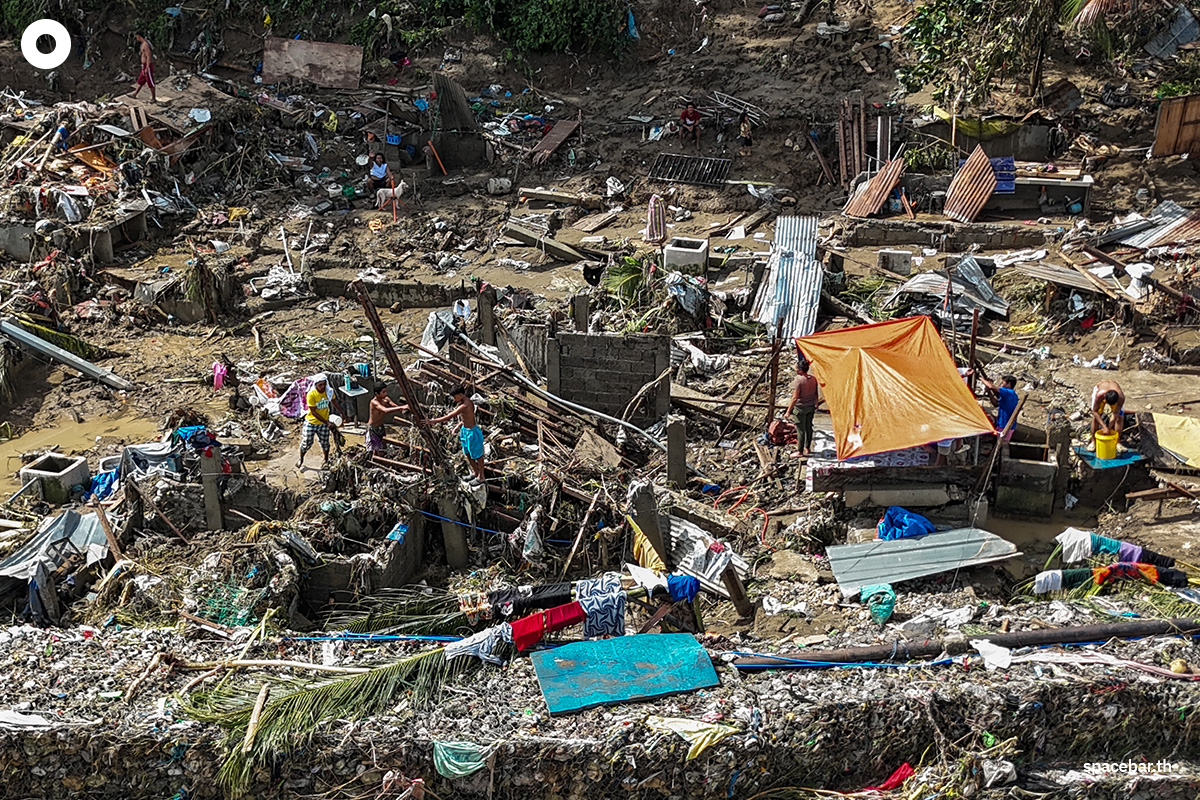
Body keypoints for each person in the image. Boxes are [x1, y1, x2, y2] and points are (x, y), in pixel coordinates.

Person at [422, 385, 485, 482]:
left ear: (460, 395)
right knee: (467, 453)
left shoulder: (466, 405)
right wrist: (458, 426)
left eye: (455, 397)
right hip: (465, 430)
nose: (454, 399)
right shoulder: (462, 403)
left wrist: (431, 421)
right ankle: (475, 472)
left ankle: (481, 477)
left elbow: (449, 416)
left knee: (478, 455)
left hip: (472, 432)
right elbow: (467, 417)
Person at [297, 373, 344, 468]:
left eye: (324, 384)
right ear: (316, 385)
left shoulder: (329, 392)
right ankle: (301, 459)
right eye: (320, 385)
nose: (323, 387)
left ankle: (325, 460)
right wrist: (327, 422)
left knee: (325, 443)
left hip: (324, 423)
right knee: (306, 442)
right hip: (311, 422)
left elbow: (333, 401)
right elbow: (313, 412)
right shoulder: (311, 395)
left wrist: (342, 412)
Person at [978, 371, 1020, 459]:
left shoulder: (1009, 392)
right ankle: (995, 460)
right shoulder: (1008, 395)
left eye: (1003, 382)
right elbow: (995, 403)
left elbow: (992, 387)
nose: (1001, 384)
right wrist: (989, 393)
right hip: (1002, 424)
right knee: (999, 444)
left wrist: (981, 379)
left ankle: (997, 462)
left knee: (1001, 446)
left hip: (1006, 425)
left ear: (1008, 384)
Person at [784, 355, 820, 457]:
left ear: (800, 370)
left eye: (796, 367)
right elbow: (816, 393)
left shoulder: (798, 381)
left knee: (800, 429)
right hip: (811, 406)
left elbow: (795, 398)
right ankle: (807, 448)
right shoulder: (813, 379)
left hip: (800, 408)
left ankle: (799, 451)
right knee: (809, 427)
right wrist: (816, 403)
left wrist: (788, 411)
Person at [367, 383, 408, 454]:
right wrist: (402, 407)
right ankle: (376, 462)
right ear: (377, 394)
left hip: (380, 427)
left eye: (386, 391)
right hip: (373, 429)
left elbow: (394, 406)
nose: (385, 394)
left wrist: (404, 410)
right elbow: (385, 410)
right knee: (377, 449)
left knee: (382, 447)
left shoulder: (386, 399)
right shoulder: (374, 402)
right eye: (383, 392)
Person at [1090, 379, 1125, 448]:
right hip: (1100, 390)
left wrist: (1108, 428)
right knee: (1096, 417)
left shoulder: (1121, 397)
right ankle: (1093, 441)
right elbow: (1094, 412)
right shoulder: (1099, 395)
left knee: (1120, 418)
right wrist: (1103, 426)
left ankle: (1118, 442)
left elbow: (1116, 413)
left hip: (1113, 395)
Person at [131, 34, 157, 102]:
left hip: (147, 66)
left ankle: (153, 98)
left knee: (150, 82)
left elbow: (148, 56)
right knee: (140, 80)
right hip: (144, 65)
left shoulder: (145, 45)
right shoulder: (143, 44)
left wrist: (147, 67)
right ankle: (135, 94)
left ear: (139, 36)